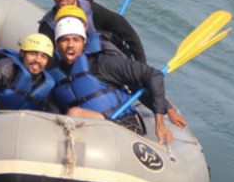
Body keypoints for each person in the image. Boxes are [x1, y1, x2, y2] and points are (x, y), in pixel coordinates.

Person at [45, 17, 186, 145]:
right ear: (57, 44)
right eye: (65, 40)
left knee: (74, 113)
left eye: (76, 40)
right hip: (84, 131)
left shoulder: (102, 63)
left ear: (83, 43)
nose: (70, 45)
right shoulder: (53, 76)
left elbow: (153, 75)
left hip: (122, 124)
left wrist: (160, 121)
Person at [38, 0, 147, 63]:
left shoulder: (91, 10)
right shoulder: (48, 26)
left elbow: (128, 33)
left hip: (111, 60)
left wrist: (141, 63)